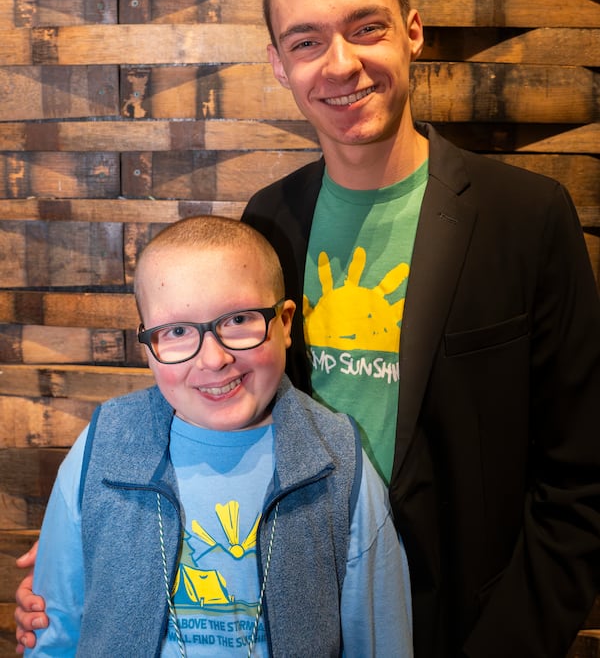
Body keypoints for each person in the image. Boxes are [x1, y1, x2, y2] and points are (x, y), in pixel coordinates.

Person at [15, 0, 600, 657]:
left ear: (412, 31)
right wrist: (101, 550)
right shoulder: (269, 222)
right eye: (307, 41)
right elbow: (237, 425)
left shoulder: (526, 215)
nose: (342, 64)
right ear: (279, 65)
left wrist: (517, 639)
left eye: (367, 27)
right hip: (306, 613)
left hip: (476, 623)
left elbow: (579, 477)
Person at [18, 214, 413, 656]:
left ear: (284, 324)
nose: (213, 358)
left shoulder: (339, 465)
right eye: (177, 331)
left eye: (239, 319)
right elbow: (52, 630)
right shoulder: (101, 447)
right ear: (147, 348)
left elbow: (382, 642)